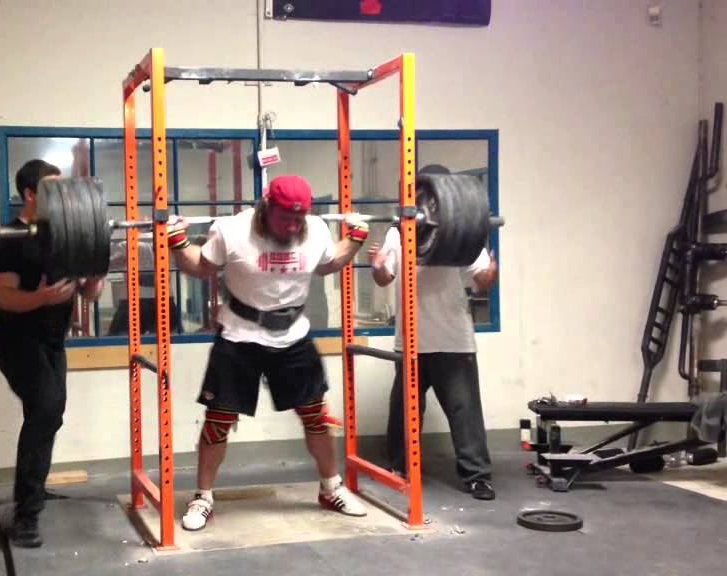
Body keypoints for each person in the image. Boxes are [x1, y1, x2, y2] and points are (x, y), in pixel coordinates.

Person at [167, 174, 369, 531]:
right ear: (266, 207)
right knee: (218, 421)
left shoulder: (316, 229)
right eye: (285, 218)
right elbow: (200, 267)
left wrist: (355, 238)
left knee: (316, 416)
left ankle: (331, 487)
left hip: (293, 336)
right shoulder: (232, 230)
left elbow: (329, 263)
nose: (292, 226)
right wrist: (178, 241)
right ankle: (203, 497)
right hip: (239, 337)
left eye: (298, 218)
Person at [0, 160, 104, 548]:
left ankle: (34, 486)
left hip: (52, 341)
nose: (62, 196)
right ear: (30, 195)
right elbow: (7, 299)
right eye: (52, 189)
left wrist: (96, 274)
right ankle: (26, 515)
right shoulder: (8, 239)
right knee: (47, 409)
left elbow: (90, 293)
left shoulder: (65, 237)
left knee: (47, 415)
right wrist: (42, 297)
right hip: (15, 340)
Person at [369, 214, 499, 501]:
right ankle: (400, 468)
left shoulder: (461, 234)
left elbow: (482, 280)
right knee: (404, 411)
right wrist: (377, 266)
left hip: (454, 341)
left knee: (464, 412)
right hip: (410, 342)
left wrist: (491, 271)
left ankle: (477, 476)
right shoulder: (398, 234)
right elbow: (384, 278)